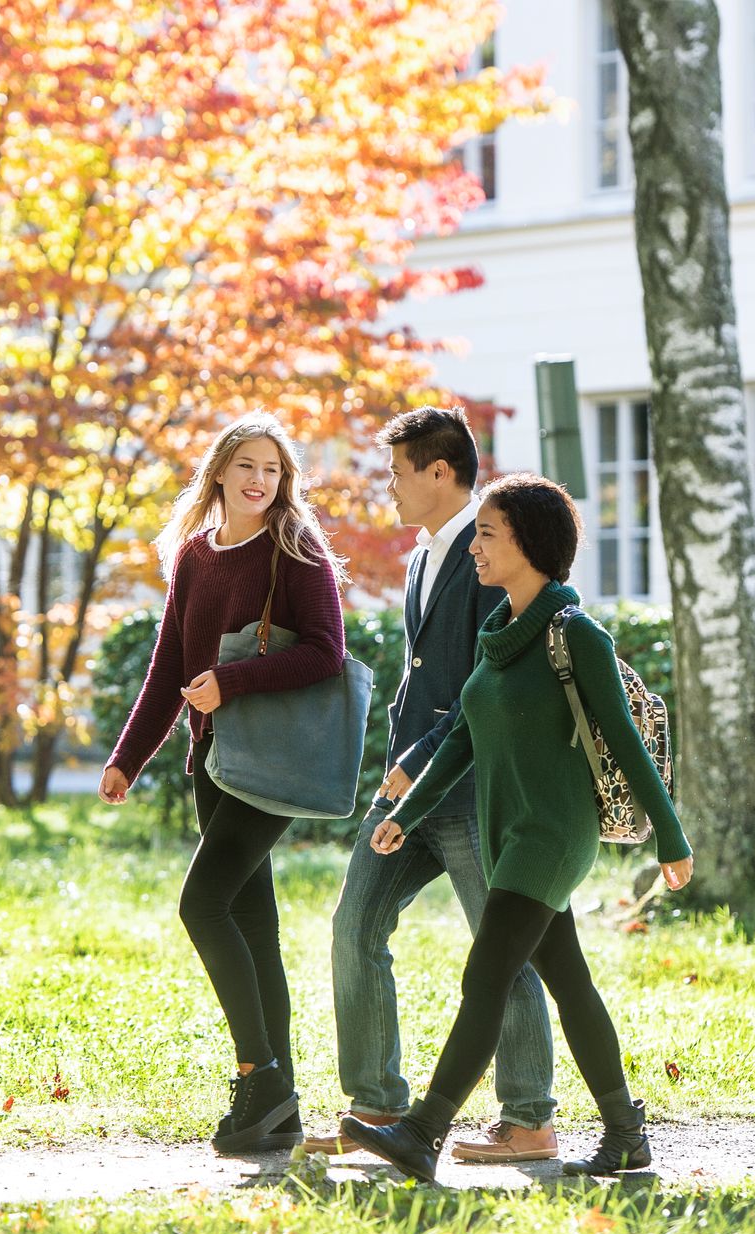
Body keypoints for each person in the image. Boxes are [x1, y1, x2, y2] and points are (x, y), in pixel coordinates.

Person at [342, 472, 695, 1184]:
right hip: (510, 835)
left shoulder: (576, 635)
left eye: (487, 533)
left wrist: (671, 839)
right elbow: (463, 740)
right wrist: (404, 818)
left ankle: (422, 1131)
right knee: (568, 981)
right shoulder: (498, 632)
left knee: (488, 975)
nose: (474, 545)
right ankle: (626, 1135)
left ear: (529, 543)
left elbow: (627, 743)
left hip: (551, 839)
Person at [302, 406, 559, 1163]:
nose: (390, 486)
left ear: (439, 473)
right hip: (407, 792)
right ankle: (377, 1107)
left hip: (474, 792)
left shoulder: (494, 549)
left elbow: (490, 678)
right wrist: (398, 761)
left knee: (499, 953)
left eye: (397, 472)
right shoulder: (420, 558)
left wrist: (425, 753)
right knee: (355, 926)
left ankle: (528, 1120)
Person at [100, 410, 349, 1155]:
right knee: (255, 930)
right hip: (215, 762)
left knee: (202, 905)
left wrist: (233, 681)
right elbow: (168, 672)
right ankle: (279, 1110)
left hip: (270, 765)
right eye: (248, 466)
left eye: (273, 470)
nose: (260, 480)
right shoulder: (196, 559)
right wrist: (126, 759)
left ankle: (259, 1075)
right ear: (218, 472)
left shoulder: (295, 550)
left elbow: (327, 654)